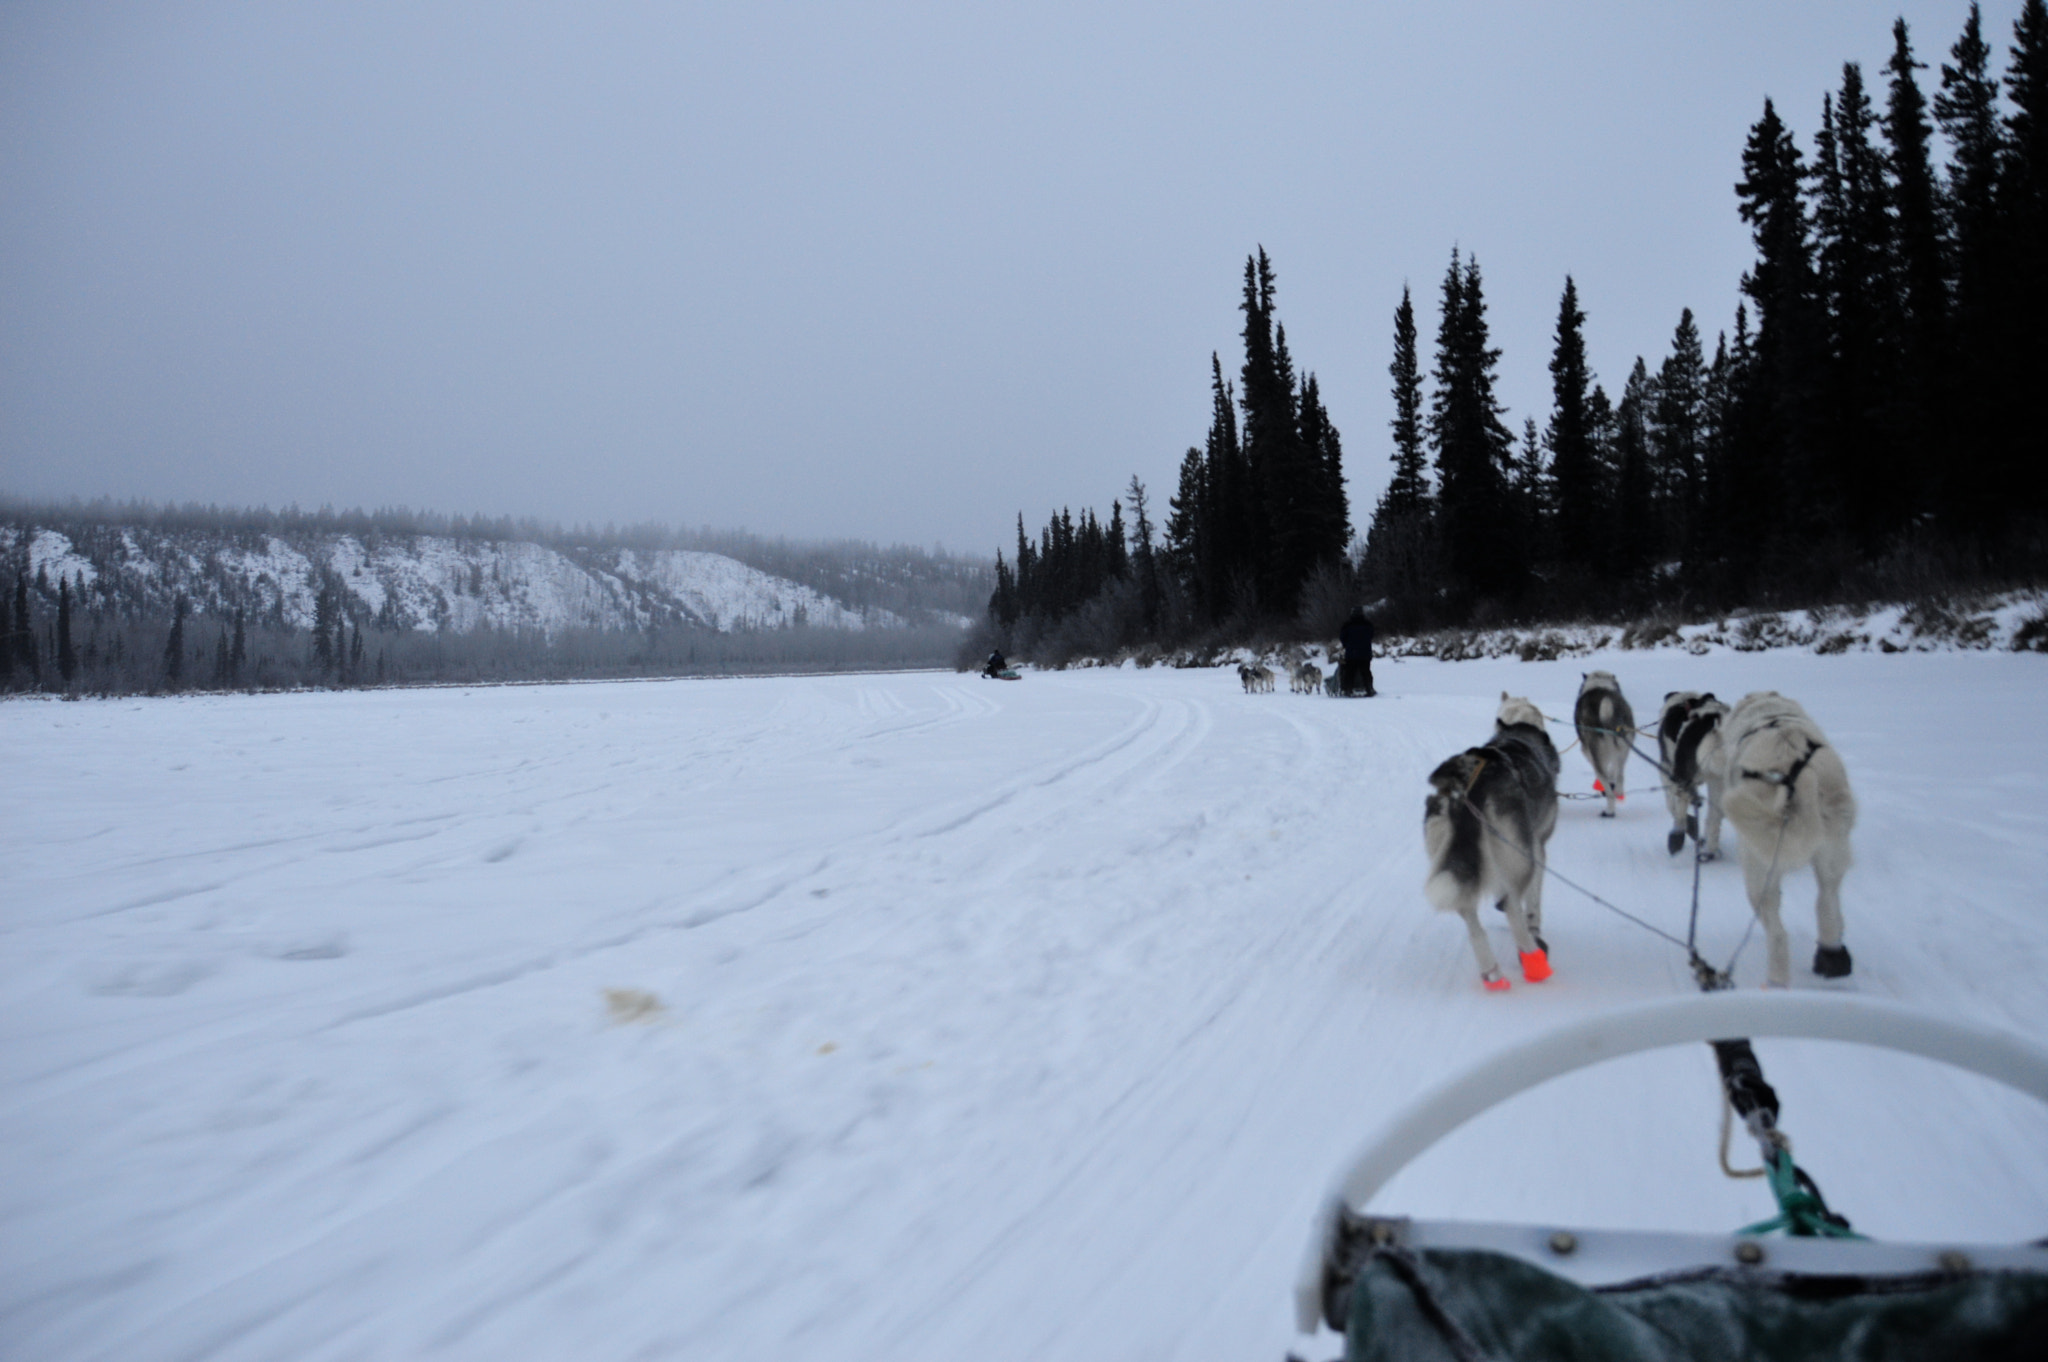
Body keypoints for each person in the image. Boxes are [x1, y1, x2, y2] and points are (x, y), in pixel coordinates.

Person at [1339, 609, 1376, 697]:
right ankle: (1369, 689)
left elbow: (1342, 637)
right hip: (1365, 653)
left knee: (1350, 672)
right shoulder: (1368, 624)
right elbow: (1371, 635)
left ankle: (1348, 690)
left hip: (1351, 653)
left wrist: (1346, 645)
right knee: (1366, 672)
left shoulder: (1347, 625)